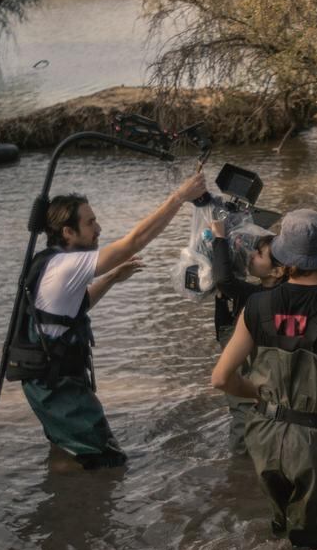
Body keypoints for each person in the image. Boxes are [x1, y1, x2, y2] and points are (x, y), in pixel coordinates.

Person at [211, 209, 317, 550]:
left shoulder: (255, 306)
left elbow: (221, 378)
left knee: (284, 534)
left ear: (283, 255)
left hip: (266, 438)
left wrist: (256, 395)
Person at [20, 171, 207, 469]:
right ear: (68, 232)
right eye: (90, 223)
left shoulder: (51, 260)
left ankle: (63, 499)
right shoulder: (67, 265)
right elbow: (134, 242)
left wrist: (110, 280)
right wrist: (179, 197)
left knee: (70, 454)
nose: (99, 228)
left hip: (50, 379)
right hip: (56, 385)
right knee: (109, 464)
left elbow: (71, 313)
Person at [208, 218, 286, 453]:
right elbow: (224, 322)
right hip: (259, 378)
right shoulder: (270, 294)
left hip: (248, 380)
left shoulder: (259, 297)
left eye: (259, 254)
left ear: (277, 270)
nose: (251, 255)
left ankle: (240, 475)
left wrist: (220, 239)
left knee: (243, 417)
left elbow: (225, 281)